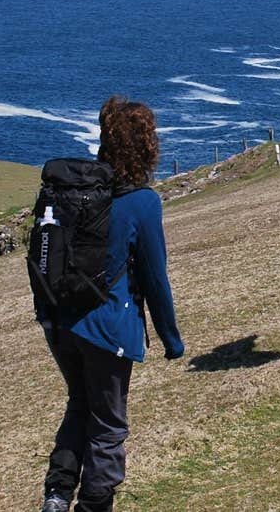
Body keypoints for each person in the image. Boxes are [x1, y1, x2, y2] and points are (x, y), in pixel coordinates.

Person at [38, 97, 184, 512]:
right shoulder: (141, 202)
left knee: (80, 404)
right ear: (147, 146)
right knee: (108, 424)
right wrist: (171, 339)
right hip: (106, 328)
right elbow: (156, 279)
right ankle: (94, 504)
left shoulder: (73, 191)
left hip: (60, 320)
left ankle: (57, 494)